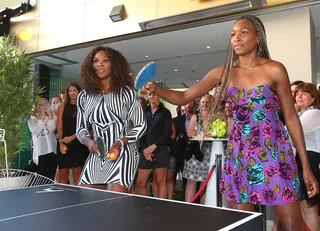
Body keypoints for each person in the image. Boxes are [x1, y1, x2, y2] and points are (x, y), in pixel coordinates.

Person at [141, 15, 318, 230]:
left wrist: (305, 167)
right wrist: (156, 90)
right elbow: (184, 96)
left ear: (258, 38)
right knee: (245, 225)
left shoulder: (275, 69)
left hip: (273, 153)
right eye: (233, 34)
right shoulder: (223, 73)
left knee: (292, 226)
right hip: (240, 153)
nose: (236, 38)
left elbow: (291, 118)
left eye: (244, 32)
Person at [76, 46, 146, 193]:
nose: (100, 64)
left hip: (124, 152)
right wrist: (88, 141)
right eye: (96, 61)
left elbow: (140, 125)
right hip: (97, 153)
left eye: (105, 60)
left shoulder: (127, 92)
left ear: (114, 65)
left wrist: (119, 142)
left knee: (114, 203)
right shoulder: (84, 96)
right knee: (85, 198)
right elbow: (80, 129)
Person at [294, 83, 320, 231]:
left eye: (303, 94)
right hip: (302, 159)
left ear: (313, 97)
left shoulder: (313, 114)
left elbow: (292, 134)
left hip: (309, 159)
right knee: (303, 205)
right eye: (297, 94)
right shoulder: (301, 114)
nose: (299, 97)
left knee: (309, 207)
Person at [136, 94, 172, 199]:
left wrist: (153, 147)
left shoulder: (165, 112)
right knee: (140, 182)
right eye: (150, 94)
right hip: (145, 151)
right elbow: (140, 132)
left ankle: (161, 209)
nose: (152, 96)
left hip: (160, 151)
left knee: (161, 182)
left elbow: (167, 133)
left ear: (159, 96)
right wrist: (145, 150)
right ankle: (145, 208)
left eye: (154, 94)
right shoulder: (143, 112)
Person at [57, 82, 89, 185]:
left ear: (79, 92)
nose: (72, 93)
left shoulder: (83, 107)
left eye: (74, 90)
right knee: (63, 174)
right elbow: (59, 126)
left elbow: (87, 127)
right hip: (64, 142)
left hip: (78, 142)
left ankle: (77, 198)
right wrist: (61, 142)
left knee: (77, 174)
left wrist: (72, 138)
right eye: (70, 91)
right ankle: (62, 198)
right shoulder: (62, 107)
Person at [26, 98, 57, 180]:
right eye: (40, 105)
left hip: (52, 150)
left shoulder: (52, 116)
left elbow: (51, 128)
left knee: (50, 178)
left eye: (45, 104)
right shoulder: (32, 119)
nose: (43, 107)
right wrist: (41, 118)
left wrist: (49, 115)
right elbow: (36, 131)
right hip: (40, 151)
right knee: (41, 178)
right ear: (36, 106)